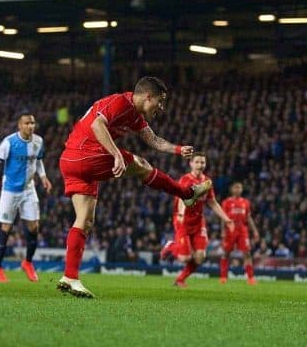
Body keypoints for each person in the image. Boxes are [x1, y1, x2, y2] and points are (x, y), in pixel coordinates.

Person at [58, 77, 212, 298]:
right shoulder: (120, 102)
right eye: (160, 101)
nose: (161, 107)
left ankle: (70, 277)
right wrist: (116, 154)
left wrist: (178, 150)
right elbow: (96, 124)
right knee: (141, 164)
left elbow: (155, 141)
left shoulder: (136, 116)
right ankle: (187, 194)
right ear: (147, 96)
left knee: (85, 221)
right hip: (84, 154)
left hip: (72, 164)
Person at [0, 113, 53, 283]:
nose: (31, 126)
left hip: (29, 190)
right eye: (27, 123)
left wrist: (43, 177)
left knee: (34, 227)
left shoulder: (38, 141)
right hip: (10, 191)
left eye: (32, 123)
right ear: (19, 125)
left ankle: (28, 263)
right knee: (6, 227)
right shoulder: (9, 142)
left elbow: (38, 161)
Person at [160, 152, 233, 288]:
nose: (200, 165)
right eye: (197, 162)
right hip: (183, 221)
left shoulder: (207, 183)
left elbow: (212, 202)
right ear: (191, 164)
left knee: (200, 257)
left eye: (202, 162)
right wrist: (181, 213)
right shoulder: (185, 180)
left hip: (199, 222)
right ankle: (171, 246)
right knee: (185, 258)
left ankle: (180, 279)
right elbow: (182, 198)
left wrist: (226, 219)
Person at [219, 182, 260, 285]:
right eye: (236, 187)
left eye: (240, 187)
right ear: (232, 189)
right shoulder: (226, 202)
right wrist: (223, 231)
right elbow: (223, 218)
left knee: (247, 253)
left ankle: (250, 278)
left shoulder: (245, 202)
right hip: (230, 229)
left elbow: (248, 217)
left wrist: (254, 230)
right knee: (226, 253)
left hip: (242, 230)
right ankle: (223, 277)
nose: (238, 189)